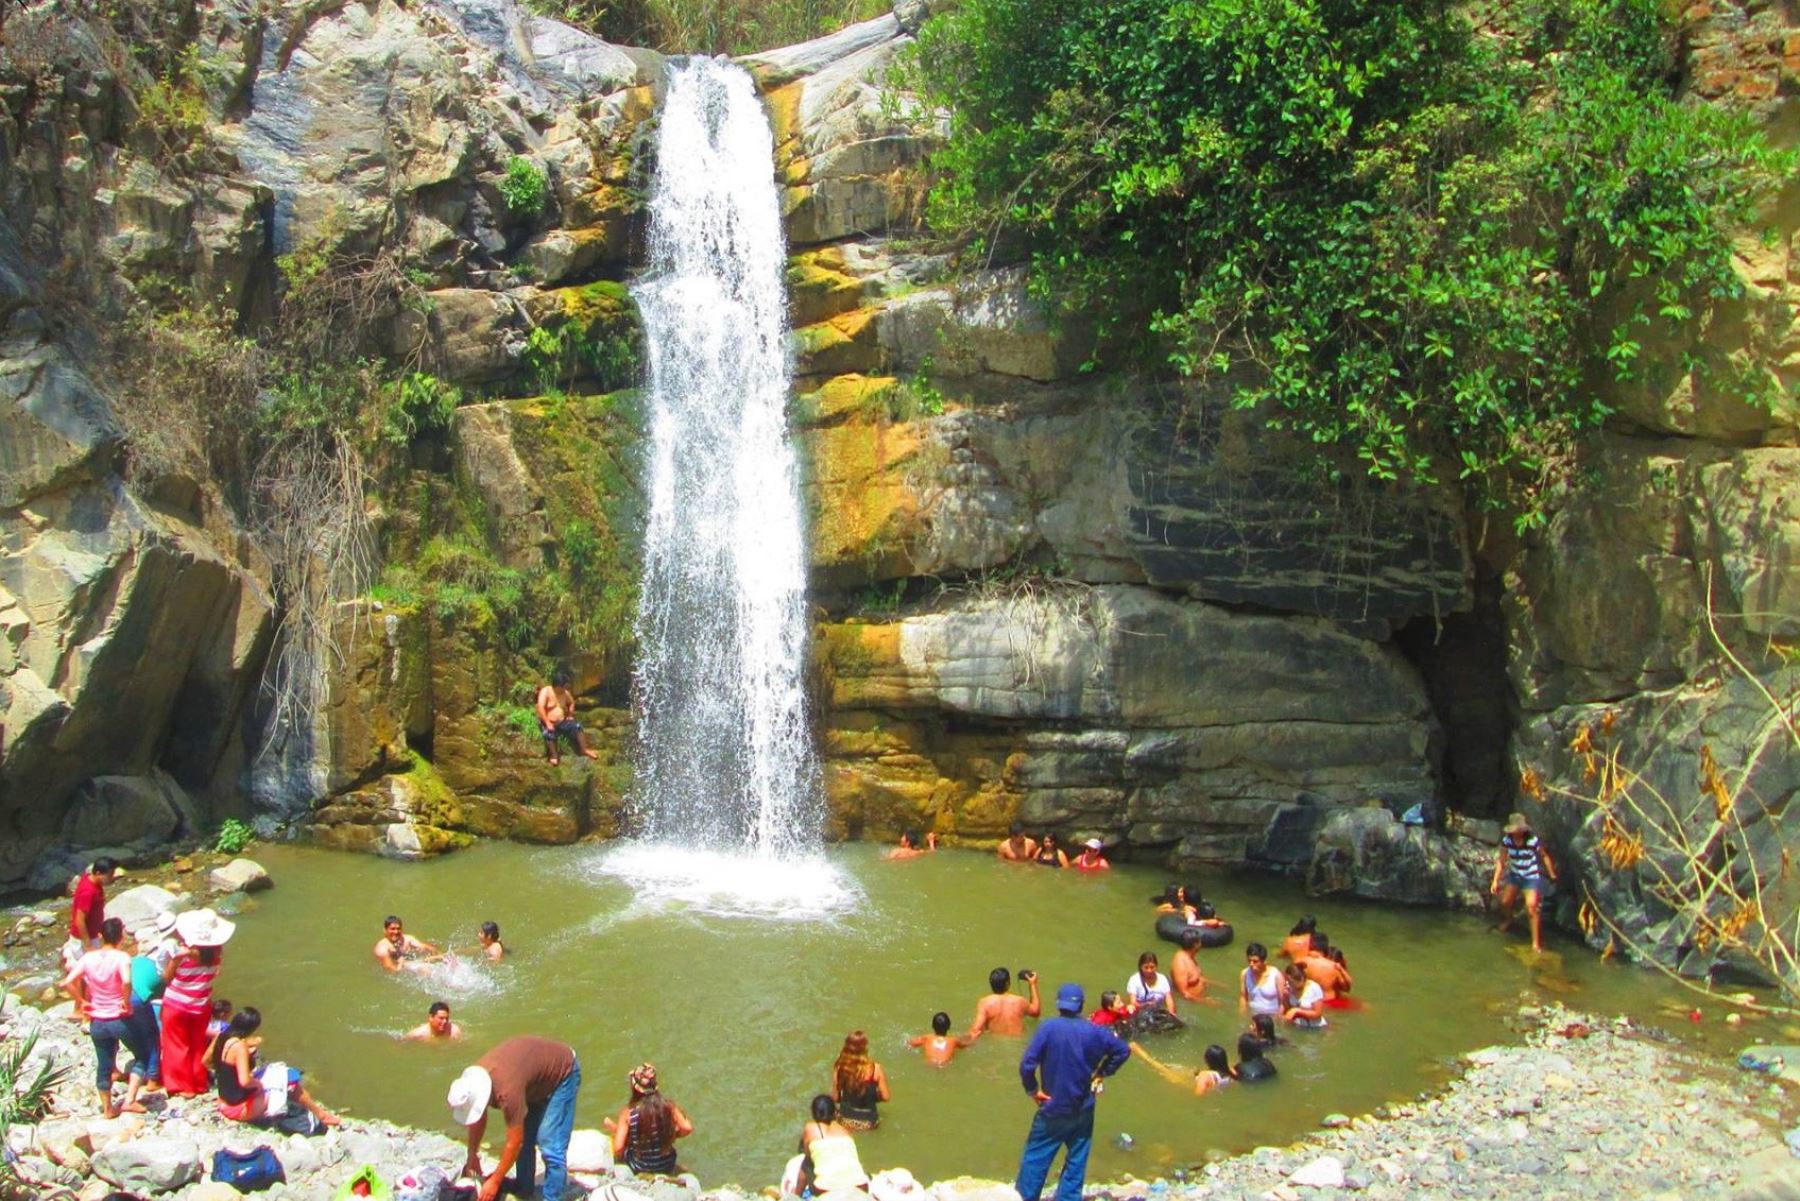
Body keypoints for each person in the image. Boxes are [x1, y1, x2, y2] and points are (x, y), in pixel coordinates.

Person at [1014, 983, 1131, 1201]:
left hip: (1052, 1107)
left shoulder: (1048, 1028)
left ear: (1059, 1004)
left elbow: (1027, 1065)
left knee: (1036, 1159)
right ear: (1082, 1006)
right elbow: (1123, 1051)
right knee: (1076, 1161)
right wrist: (1102, 1072)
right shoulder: (1095, 1031)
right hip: (1083, 1108)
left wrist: (1033, 1090)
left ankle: (1026, 1197)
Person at [448, 1036, 582, 1201]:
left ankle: (552, 1197)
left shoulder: (506, 1092)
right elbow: (478, 1118)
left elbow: (514, 1142)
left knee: (550, 1146)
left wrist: (495, 1181)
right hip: (532, 1081)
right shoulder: (475, 1079)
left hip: (562, 1073)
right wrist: (472, 1153)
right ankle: (523, 1188)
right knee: (527, 1140)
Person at [61, 918, 151, 1118]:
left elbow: (67, 982)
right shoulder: (122, 958)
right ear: (121, 937)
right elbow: (126, 981)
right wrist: (126, 1002)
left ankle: (108, 1108)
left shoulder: (88, 958)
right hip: (119, 1018)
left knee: (104, 1064)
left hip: (97, 1021)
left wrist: (81, 1002)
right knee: (143, 1055)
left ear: (100, 936)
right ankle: (129, 1100)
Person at [212, 1006, 340, 1126]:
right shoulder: (240, 1047)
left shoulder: (225, 1038)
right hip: (239, 1108)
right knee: (290, 1081)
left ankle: (312, 1110)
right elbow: (245, 1081)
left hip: (225, 1101)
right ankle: (322, 1116)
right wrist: (258, 1085)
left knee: (280, 1075)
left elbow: (209, 1061)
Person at [160, 909, 232, 1096]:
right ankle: (199, 1083)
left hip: (176, 1005)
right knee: (197, 1044)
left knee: (177, 1044)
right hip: (200, 1006)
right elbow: (214, 974)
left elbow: (167, 979)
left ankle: (182, 1086)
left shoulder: (183, 955)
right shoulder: (216, 957)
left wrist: (174, 961)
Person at [607, 1062, 693, 1175]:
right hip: (667, 1164)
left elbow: (618, 1149)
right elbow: (687, 1128)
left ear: (635, 1088)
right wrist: (672, 1134)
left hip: (639, 1166)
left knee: (615, 1134)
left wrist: (629, 1142)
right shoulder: (668, 1107)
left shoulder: (628, 1112)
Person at [1493, 811, 1559, 951]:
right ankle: (1509, 919)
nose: (1517, 832)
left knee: (1531, 906)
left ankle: (1535, 942)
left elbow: (1544, 856)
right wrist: (1495, 880)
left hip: (1530, 877)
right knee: (1505, 902)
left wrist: (1551, 873)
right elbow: (1501, 861)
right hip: (1515, 876)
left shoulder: (1532, 841)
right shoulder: (1507, 841)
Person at [791, 1094, 869, 1197]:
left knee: (806, 1163)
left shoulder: (810, 1128)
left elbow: (807, 1154)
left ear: (813, 1113)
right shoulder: (845, 1129)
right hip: (861, 1186)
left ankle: (795, 1197)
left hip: (827, 1189)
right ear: (834, 1112)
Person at [64, 857, 119, 969]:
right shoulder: (88, 892)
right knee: (91, 969)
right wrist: (88, 945)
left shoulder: (91, 880)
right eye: (109, 875)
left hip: (93, 934)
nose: (111, 878)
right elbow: (80, 920)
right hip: (83, 940)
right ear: (98, 873)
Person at [536, 668, 599, 766]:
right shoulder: (546, 691)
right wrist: (547, 722)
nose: (566, 689)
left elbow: (572, 703)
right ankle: (554, 756)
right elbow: (540, 707)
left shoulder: (565, 693)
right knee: (549, 733)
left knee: (577, 726)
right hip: (548, 721)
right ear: (558, 686)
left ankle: (584, 749)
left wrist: (570, 715)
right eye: (564, 687)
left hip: (562, 722)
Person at [830, 1031, 889, 1131]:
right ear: (865, 1047)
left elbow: (835, 1098)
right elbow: (886, 1097)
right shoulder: (876, 1069)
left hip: (846, 1121)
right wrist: (872, 1095)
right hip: (869, 1123)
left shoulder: (840, 1069)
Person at [969, 967, 1041, 1039]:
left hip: (996, 1044)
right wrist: (1033, 984)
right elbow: (1036, 1011)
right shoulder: (1019, 1001)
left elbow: (975, 1030)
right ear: (1008, 983)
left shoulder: (985, 1003)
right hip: (1019, 1044)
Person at [1239, 942, 1289, 1019]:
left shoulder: (1276, 975)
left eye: (1255, 961)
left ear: (1264, 961)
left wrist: (1278, 1019)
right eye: (1249, 961)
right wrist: (1242, 1016)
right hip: (1254, 1016)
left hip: (1272, 1016)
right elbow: (1243, 997)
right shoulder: (1245, 974)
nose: (1251, 964)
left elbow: (1283, 1002)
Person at [1300, 933, 1354, 999]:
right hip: (1329, 1000)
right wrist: (1341, 969)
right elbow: (1347, 988)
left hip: (1308, 999)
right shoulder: (1334, 967)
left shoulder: (1300, 961)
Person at [1125, 951, 1176, 1016]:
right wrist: (1146, 1005)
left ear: (1156, 966)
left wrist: (1171, 1013)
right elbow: (1133, 1003)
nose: (1149, 971)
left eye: (1152, 967)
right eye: (1146, 967)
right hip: (1140, 1011)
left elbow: (1169, 1000)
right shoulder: (1134, 980)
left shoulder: (1162, 979)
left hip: (1158, 1010)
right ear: (1141, 967)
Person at [1170, 929, 1210, 1004]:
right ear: (1195, 944)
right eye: (1200, 941)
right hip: (1191, 1004)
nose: (1201, 944)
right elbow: (1184, 993)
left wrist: (1219, 985)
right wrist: (1206, 1002)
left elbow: (1199, 978)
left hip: (1200, 998)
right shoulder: (1180, 963)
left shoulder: (1190, 956)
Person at [1282, 963, 1327, 1028]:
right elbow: (1288, 1010)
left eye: (1291, 982)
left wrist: (1297, 1011)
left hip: (1316, 1028)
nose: (1289, 984)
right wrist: (1285, 998)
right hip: (1298, 1026)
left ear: (1302, 979)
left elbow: (1317, 1013)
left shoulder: (1313, 988)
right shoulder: (1289, 988)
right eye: (1288, 981)